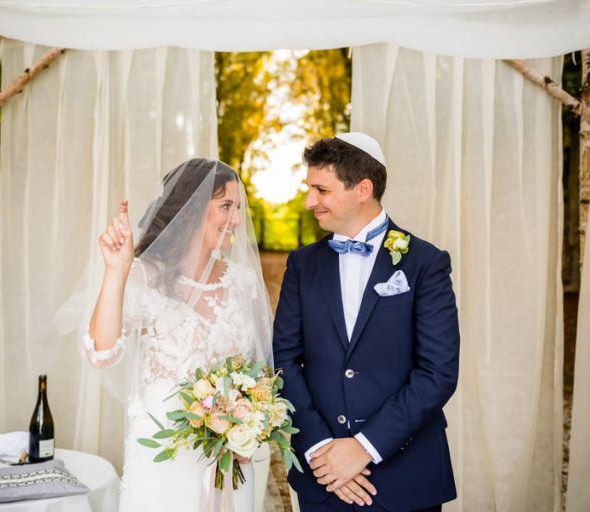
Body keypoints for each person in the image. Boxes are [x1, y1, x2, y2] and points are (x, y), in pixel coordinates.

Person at [273, 133, 459, 511]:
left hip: (406, 476)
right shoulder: (303, 265)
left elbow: (438, 372)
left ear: (363, 189)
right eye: (310, 189)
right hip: (321, 478)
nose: (310, 202)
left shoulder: (425, 263)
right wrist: (320, 449)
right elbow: (284, 360)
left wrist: (364, 447)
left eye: (321, 190)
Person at [83, 159, 272, 511]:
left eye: (238, 208)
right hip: (163, 455)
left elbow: (261, 371)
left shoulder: (242, 282)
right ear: (192, 209)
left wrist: (247, 426)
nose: (236, 220)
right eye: (226, 206)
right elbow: (101, 353)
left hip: (230, 459)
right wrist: (116, 271)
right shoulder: (143, 276)